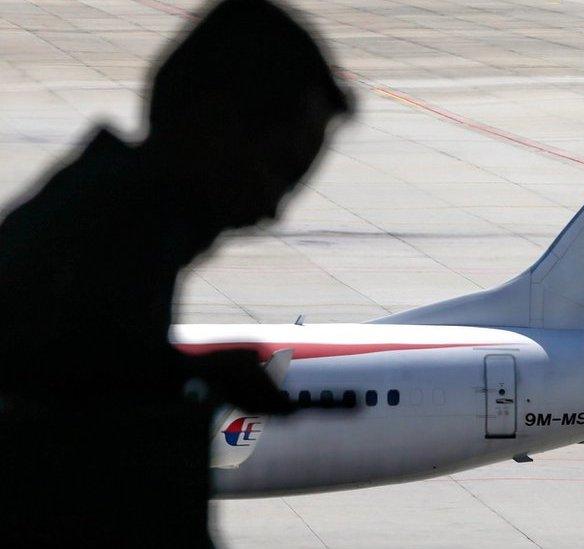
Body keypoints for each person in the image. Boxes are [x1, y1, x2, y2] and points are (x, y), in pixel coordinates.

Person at [0, 0, 352, 545]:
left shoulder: (93, 219)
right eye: (279, 168)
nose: (272, 209)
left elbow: (71, 368)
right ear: (214, 125)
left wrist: (177, 371)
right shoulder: (116, 245)